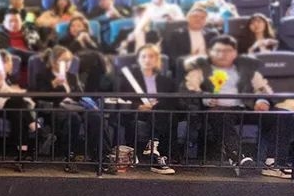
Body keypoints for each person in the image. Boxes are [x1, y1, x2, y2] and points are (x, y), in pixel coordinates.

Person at [181, 35, 272, 171]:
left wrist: (261, 100)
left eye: (227, 51)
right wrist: (205, 97)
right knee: (221, 115)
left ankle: (274, 161)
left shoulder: (247, 70)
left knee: (280, 116)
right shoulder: (200, 70)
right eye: (218, 51)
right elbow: (188, 90)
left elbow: (263, 88)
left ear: (235, 53)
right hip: (217, 109)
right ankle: (238, 156)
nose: (222, 54)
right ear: (210, 52)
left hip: (246, 107)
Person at [114, 44, 178, 174]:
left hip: (160, 113)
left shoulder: (166, 81)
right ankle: (157, 157)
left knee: (162, 110)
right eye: (144, 57)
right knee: (159, 113)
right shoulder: (127, 80)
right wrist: (138, 106)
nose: (147, 60)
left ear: (157, 60)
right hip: (137, 113)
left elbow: (174, 101)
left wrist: (156, 105)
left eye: (151, 56)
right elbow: (120, 99)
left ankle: (154, 151)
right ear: (138, 60)